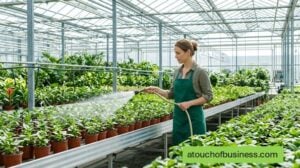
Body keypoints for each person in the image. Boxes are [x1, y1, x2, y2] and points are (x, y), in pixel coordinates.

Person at [144, 39, 213, 145]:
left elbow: (208, 96)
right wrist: (157, 90)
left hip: (194, 119)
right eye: (175, 53)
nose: (175, 56)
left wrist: (189, 103)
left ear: (188, 52)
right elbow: (171, 94)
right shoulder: (177, 72)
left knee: (195, 150)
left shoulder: (200, 72)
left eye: (178, 53)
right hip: (179, 119)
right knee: (178, 152)